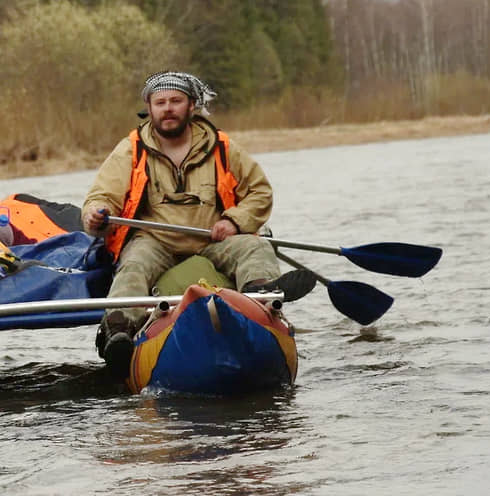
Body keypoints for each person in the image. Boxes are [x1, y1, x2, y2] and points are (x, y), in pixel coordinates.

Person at [81, 71, 316, 379]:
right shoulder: (130, 149)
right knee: (134, 264)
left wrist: (234, 221)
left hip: (212, 237)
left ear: (191, 106)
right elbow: (100, 198)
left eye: (176, 101)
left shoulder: (222, 147)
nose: (168, 108)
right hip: (155, 240)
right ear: (149, 108)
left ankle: (260, 300)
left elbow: (260, 193)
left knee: (255, 246)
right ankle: (118, 332)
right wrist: (97, 215)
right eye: (160, 102)